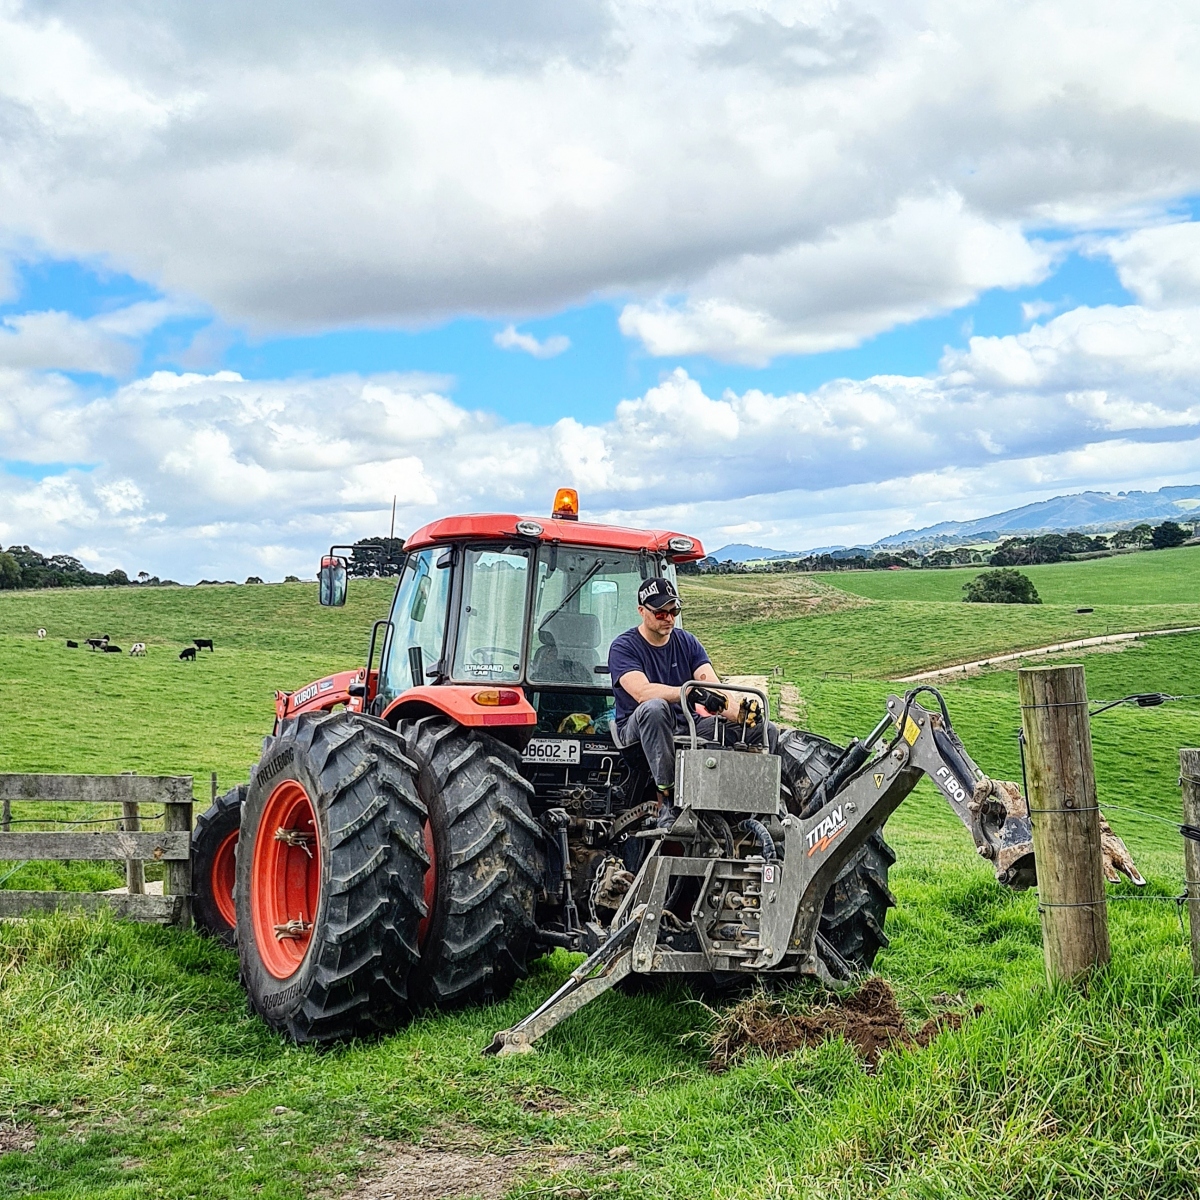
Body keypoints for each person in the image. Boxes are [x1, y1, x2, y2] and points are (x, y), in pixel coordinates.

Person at [608, 577, 779, 825]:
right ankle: (667, 798)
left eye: (673, 611)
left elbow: (713, 685)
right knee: (655, 708)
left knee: (764, 730)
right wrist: (687, 693)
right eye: (660, 613)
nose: (668, 617)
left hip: (687, 724)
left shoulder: (687, 642)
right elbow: (642, 693)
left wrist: (738, 713)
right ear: (642, 611)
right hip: (637, 734)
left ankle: (754, 807)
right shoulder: (624, 647)